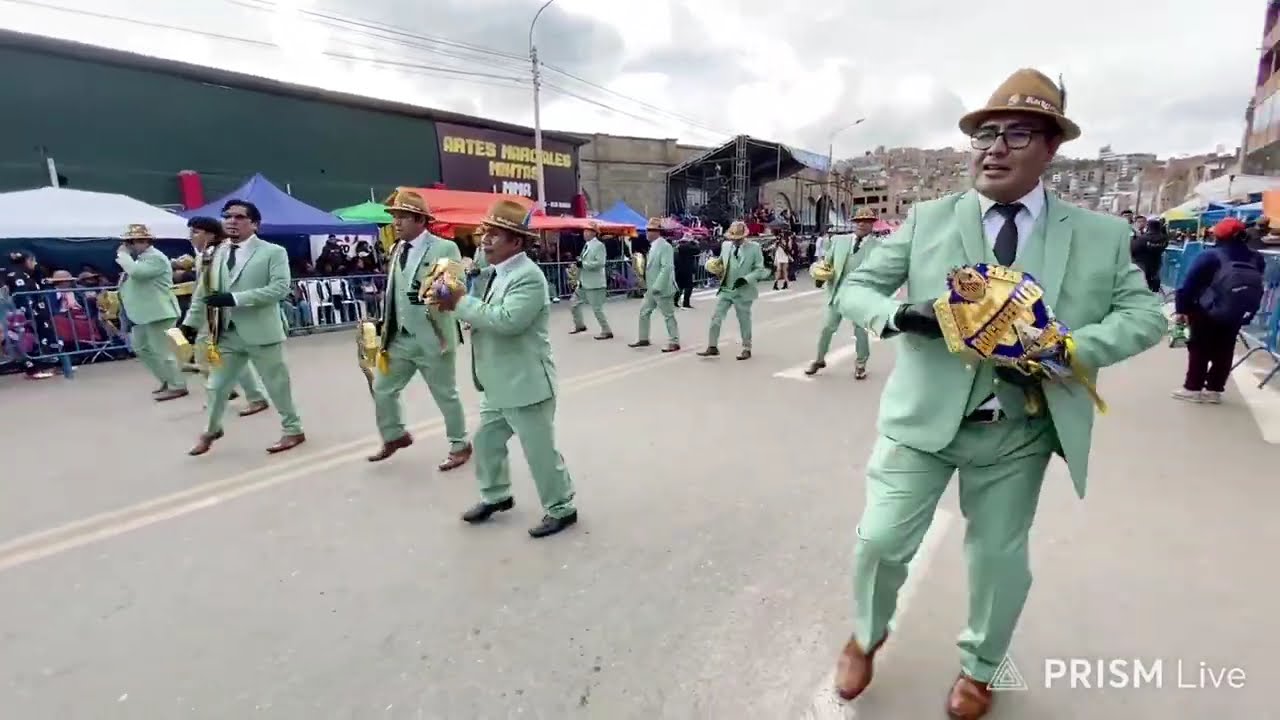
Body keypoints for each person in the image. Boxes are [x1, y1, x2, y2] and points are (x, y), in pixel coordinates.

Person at [830, 68, 1165, 719]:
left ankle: (981, 668)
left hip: (1019, 429)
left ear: (1051, 148)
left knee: (998, 561)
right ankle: (866, 635)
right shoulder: (928, 219)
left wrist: (1068, 348)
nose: (995, 147)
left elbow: (1145, 316)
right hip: (921, 422)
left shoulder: (1099, 234)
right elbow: (855, 289)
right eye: (984, 134)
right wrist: (903, 316)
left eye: (1016, 133)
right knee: (878, 541)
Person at [432, 199, 578, 539]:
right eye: (485, 233)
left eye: (495, 235)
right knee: (485, 440)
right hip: (499, 382)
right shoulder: (499, 272)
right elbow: (487, 312)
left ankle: (562, 507)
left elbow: (508, 320)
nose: (485, 241)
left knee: (539, 451)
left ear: (517, 242)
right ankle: (496, 495)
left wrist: (460, 304)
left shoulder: (528, 277)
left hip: (525, 383)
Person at [185, 199, 306, 456]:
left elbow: (279, 289)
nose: (231, 221)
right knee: (216, 386)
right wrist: (189, 324)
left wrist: (235, 299)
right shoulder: (215, 253)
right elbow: (203, 291)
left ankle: (293, 429)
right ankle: (211, 429)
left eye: (239, 217)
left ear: (254, 224)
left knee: (276, 385)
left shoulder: (272, 252)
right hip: (226, 332)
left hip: (261, 332)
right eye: (227, 216)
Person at [365, 190, 472, 470]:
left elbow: (454, 289)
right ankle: (394, 435)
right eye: (394, 218)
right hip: (399, 336)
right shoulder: (397, 248)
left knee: (445, 394)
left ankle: (460, 444)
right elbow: (393, 291)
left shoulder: (444, 248)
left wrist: (430, 292)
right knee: (382, 388)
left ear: (420, 220)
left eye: (402, 217)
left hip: (433, 337)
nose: (396, 223)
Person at [1172, 217, 1266, 404]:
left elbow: (1189, 284)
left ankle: (1193, 388)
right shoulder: (1256, 257)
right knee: (1225, 348)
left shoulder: (1210, 256)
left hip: (1204, 309)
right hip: (1236, 309)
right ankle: (1214, 389)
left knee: (1199, 347)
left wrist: (1181, 308)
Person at [184, 216, 270, 416]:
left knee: (213, 354)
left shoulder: (220, 253)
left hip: (222, 313)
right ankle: (234, 391)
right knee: (225, 356)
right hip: (213, 312)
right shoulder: (206, 255)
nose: (191, 237)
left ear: (210, 234)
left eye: (196, 232)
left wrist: (193, 320)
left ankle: (241, 393)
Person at [115, 224, 188, 401]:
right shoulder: (140, 258)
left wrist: (123, 256)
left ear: (147, 241)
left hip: (159, 311)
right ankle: (166, 379)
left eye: (135, 241)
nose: (131, 245)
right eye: (129, 242)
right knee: (141, 347)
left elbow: (137, 274)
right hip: (143, 313)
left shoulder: (155, 258)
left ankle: (177, 385)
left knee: (162, 350)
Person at [805, 207, 880, 379]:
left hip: (860, 297)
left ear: (872, 224)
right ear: (853, 223)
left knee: (860, 332)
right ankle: (819, 359)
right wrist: (820, 277)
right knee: (826, 328)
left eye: (866, 221)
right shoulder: (839, 241)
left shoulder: (878, 247)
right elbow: (827, 263)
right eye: (858, 221)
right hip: (837, 293)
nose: (862, 223)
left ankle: (861, 364)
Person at [698, 220, 770, 361]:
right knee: (716, 317)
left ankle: (746, 348)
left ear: (744, 237)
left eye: (738, 239)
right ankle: (712, 346)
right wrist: (713, 266)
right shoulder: (726, 246)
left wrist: (746, 279)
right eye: (733, 239)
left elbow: (760, 269)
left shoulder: (754, 248)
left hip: (743, 290)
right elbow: (721, 262)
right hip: (726, 288)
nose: (735, 241)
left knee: (744, 320)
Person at [2, 250, 61, 379]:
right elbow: (21, 297)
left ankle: (47, 365)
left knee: (40, 339)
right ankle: (32, 370)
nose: (35, 264)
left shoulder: (26, 275)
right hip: (21, 315)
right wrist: (28, 314)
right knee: (22, 341)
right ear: (26, 261)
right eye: (32, 260)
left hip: (31, 312)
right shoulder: (17, 276)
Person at [629, 217, 680, 352]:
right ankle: (643, 338)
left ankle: (674, 341)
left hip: (662, 288)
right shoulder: (653, 247)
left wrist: (658, 286)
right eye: (647, 230)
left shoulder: (665, 246)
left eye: (651, 230)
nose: (647, 232)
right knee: (644, 312)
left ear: (658, 232)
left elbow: (667, 267)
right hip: (651, 288)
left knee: (668, 315)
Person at [568, 222, 614, 340]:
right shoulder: (587, 245)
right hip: (584, 281)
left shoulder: (599, 246)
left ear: (594, 233)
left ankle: (606, 330)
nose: (585, 233)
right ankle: (580, 325)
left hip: (595, 283)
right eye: (584, 231)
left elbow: (600, 263)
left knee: (597, 309)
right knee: (573, 303)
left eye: (587, 231)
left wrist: (583, 264)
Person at [1130, 217, 1169, 293]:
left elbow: (1133, 249)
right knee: (1155, 280)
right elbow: (1165, 245)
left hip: (1142, 263)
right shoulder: (1163, 238)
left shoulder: (1143, 238)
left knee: (1144, 281)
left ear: (1148, 226)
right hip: (1156, 263)